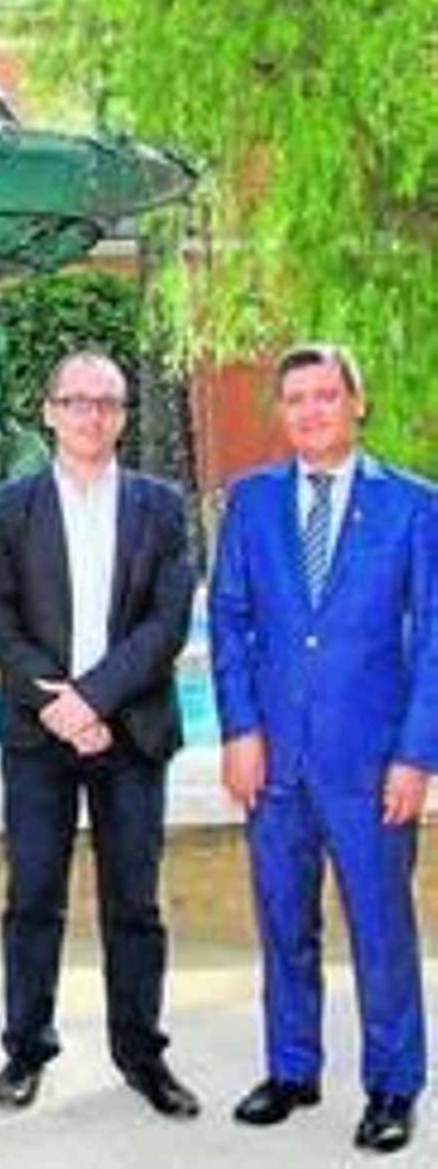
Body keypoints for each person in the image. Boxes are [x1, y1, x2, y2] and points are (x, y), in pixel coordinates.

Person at [211, 343, 438, 1156]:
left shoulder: (415, 507)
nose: (310, 411)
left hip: (372, 762)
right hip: (274, 761)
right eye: (296, 399)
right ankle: (293, 1067)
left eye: (325, 396)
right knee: (283, 920)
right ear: (283, 413)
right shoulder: (251, 502)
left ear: (357, 404)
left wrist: (418, 755)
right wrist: (238, 730)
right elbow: (230, 620)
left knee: (380, 926)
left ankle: (392, 1082)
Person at [0, 350, 200, 1119]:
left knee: (134, 902)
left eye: (107, 402)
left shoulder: (163, 506)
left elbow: (167, 624)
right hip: (39, 737)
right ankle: (25, 1050)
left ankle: (141, 1054)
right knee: (32, 895)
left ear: (123, 415)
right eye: (76, 401)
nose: (91, 415)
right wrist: (61, 707)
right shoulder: (9, 506)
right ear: (49, 411)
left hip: (131, 732)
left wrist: (94, 701)